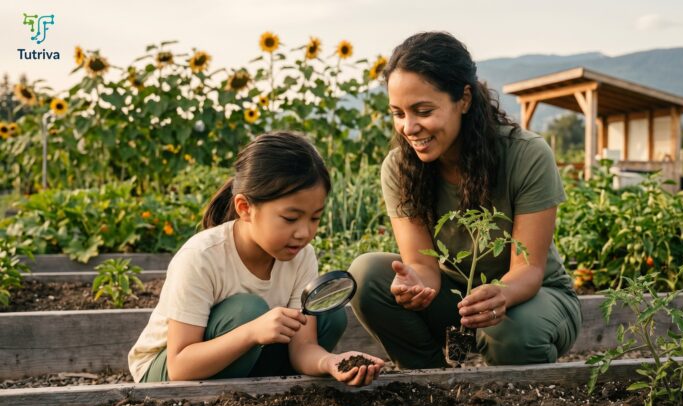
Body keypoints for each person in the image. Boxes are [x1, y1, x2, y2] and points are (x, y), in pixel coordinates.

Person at [349, 32, 582, 369]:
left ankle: (520, 400)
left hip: (530, 299)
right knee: (367, 275)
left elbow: (528, 270)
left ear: (464, 99)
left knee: (512, 332)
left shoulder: (525, 154)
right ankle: (430, 384)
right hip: (456, 299)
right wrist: (414, 286)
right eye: (398, 113)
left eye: (423, 111)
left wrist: (501, 295)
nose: (409, 127)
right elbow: (424, 266)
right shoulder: (399, 167)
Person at [128, 131, 384, 384]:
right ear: (245, 208)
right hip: (164, 372)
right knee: (247, 311)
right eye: (290, 218)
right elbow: (179, 367)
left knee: (329, 316)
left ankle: (260, 385)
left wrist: (330, 362)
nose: (304, 232)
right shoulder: (201, 257)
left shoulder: (301, 255)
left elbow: (302, 347)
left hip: (241, 359)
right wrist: (251, 332)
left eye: (315, 218)